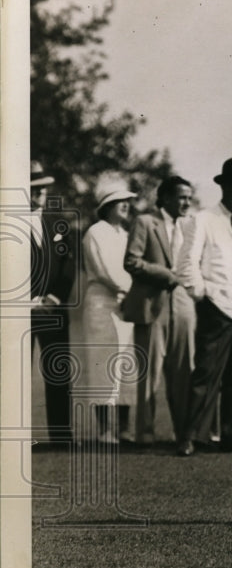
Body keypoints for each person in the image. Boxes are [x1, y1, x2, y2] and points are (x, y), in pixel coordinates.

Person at [175, 157, 232, 456]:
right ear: (224, 186)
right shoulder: (202, 219)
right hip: (216, 304)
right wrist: (200, 293)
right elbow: (186, 262)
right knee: (205, 372)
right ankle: (190, 436)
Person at [121, 175, 197, 447]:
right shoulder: (144, 222)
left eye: (189, 197)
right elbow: (131, 261)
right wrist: (166, 275)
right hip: (152, 305)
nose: (186, 202)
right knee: (149, 374)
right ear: (164, 197)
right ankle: (146, 433)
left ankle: (182, 432)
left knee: (183, 370)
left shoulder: (192, 226)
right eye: (181, 197)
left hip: (184, 303)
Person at [71, 183, 138, 443]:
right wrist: (129, 290)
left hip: (126, 305)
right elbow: (106, 271)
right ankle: (104, 430)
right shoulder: (95, 232)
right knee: (103, 365)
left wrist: (132, 295)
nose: (126, 205)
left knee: (126, 364)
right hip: (101, 303)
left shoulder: (126, 234)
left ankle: (124, 427)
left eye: (127, 201)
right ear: (107, 206)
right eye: (120, 200)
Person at [29, 161, 77, 442]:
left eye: (43, 189)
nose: (39, 195)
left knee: (57, 370)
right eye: (33, 190)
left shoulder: (57, 223)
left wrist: (54, 297)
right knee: (16, 373)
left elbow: (68, 265)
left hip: (52, 309)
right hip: (18, 312)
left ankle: (61, 434)